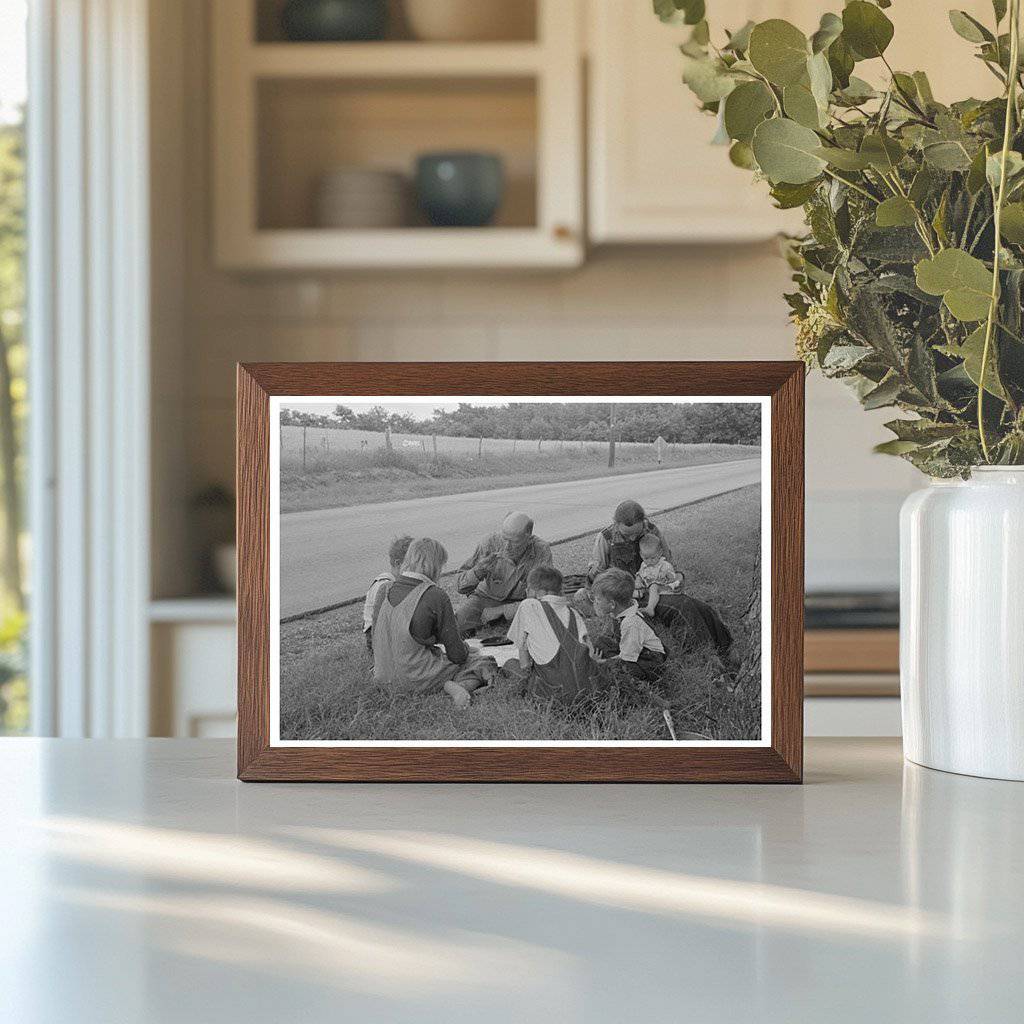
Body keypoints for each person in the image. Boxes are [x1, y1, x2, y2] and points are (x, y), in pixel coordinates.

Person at [372, 537, 495, 708]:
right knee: (483, 661)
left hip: (383, 676)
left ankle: (445, 683)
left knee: (441, 657)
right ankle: (455, 686)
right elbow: (457, 655)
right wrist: (469, 649)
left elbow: (376, 637)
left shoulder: (384, 589)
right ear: (433, 565)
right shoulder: (435, 595)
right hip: (416, 677)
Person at [504, 565, 597, 702]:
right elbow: (590, 653)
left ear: (539, 592)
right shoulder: (573, 613)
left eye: (528, 589)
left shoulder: (529, 605)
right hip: (587, 690)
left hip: (554, 694)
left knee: (510, 664)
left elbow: (524, 660)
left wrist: (526, 669)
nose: (526, 591)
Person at [456, 511, 553, 635]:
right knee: (456, 627)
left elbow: (543, 598)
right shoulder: (490, 542)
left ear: (528, 536)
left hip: (521, 604)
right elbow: (460, 586)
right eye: (505, 538)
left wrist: (503, 610)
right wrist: (478, 571)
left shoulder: (541, 550)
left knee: (537, 633)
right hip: (484, 599)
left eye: (514, 541)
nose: (507, 546)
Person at [590, 568, 668, 681]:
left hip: (651, 662)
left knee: (617, 670)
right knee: (601, 642)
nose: (596, 602)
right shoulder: (624, 609)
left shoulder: (630, 623)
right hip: (638, 651)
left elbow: (626, 658)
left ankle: (639, 686)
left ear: (612, 604)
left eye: (598, 599)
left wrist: (603, 662)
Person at [588, 499, 670, 579]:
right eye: (627, 534)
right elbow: (596, 574)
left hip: (649, 581)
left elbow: (668, 560)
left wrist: (676, 576)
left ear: (643, 521)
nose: (633, 538)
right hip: (618, 586)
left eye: (637, 533)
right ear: (616, 524)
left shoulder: (652, 531)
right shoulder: (606, 537)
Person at [362, 535, 413, 656]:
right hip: (378, 638)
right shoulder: (384, 585)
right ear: (398, 563)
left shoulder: (400, 583)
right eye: (413, 565)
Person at [635, 533, 683, 617]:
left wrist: (666, 573)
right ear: (641, 554)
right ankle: (635, 602)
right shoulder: (644, 565)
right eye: (646, 558)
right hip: (648, 590)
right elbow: (640, 574)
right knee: (636, 590)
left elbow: (673, 577)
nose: (649, 561)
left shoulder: (664, 564)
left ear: (660, 553)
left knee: (653, 586)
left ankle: (650, 608)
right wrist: (638, 581)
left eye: (653, 558)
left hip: (663, 589)